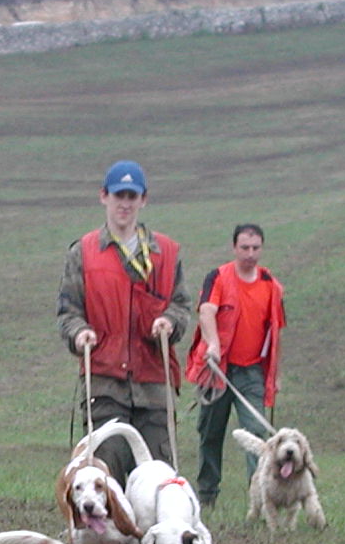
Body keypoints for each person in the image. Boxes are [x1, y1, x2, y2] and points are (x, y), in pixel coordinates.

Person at [55, 159, 192, 487]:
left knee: (158, 477)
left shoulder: (167, 253)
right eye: (119, 195)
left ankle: (158, 539)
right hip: (105, 381)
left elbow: (183, 305)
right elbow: (68, 311)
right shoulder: (83, 252)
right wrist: (79, 333)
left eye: (132, 196)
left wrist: (169, 322)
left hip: (154, 382)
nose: (125, 204)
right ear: (104, 196)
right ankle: (104, 538)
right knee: (105, 475)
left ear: (143, 200)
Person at [190, 222, 286, 513]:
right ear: (234, 248)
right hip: (218, 370)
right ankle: (207, 498)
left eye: (256, 248)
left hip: (252, 373)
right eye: (245, 247)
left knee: (256, 436)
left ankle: (259, 501)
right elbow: (207, 310)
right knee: (210, 434)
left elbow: (276, 332)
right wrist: (213, 344)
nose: (250, 253)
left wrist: (275, 375)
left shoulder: (271, 285)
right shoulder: (218, 277)